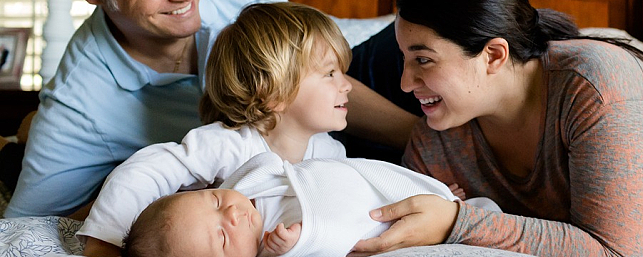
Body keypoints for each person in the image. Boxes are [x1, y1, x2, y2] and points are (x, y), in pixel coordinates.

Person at [4, 0, 418, 219]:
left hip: (329, 97)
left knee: (429, 25)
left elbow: (311, 79)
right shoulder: (78, 103)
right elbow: (27, 228)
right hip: (275, 155)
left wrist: (429, 139)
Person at [351, 0, 643, 256]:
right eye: (404, 59)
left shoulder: (597, 86)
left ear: (493, 55)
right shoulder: (434, 142)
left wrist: (456, 221)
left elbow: (614, 251)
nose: (405, 83)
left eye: (423, 60)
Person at [77, 1, 345, 256]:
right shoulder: (228, 145)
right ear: (274, 92)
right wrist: (104, 243)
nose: (347, 85)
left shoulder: (331, 153)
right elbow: (142, 173)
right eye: (330, 73)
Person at [120, 152, 499, 257]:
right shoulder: (270, 246)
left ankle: (464, 210)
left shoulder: (254, 190)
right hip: (367, 224)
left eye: (216, 199)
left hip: (368, 190)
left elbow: (273, 166)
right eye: (221, 238)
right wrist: (299, 242)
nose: (234, 214)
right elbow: (331, 242)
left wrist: (238, 186)